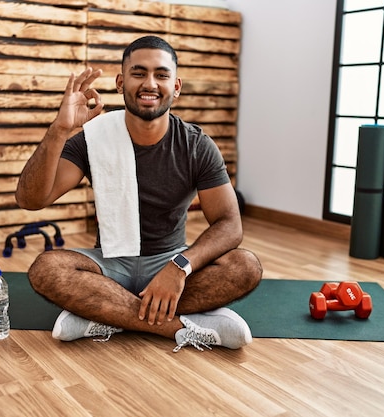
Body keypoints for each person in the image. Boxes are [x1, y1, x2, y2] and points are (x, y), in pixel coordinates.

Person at [15, 35, 262, 352]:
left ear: (176, 86)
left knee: (245, 266)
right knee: (47, 270)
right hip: (109, 263)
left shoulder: (197, 145)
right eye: (138, 73)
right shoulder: (93, 138)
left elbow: (229, 224)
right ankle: (178, 327)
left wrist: (179, 268)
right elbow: (31, 200)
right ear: (120, 82)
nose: (150, 83)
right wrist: (59, 130)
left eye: (161, 75)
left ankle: (104, 314)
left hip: (169, 258)